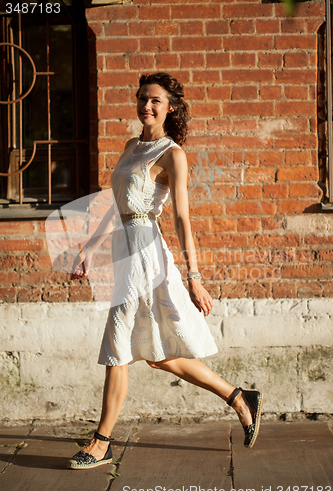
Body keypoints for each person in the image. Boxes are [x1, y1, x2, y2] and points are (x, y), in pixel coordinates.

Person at [67, 72, 263, 469]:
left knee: (119, 345)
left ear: (170, 106)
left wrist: (195, 278)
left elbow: (181, 220)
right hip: (124, 251)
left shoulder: (172, 154)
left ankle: (101, 441)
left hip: (146, 256)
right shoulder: (129, 146)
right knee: (155, 355)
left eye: (155, 100)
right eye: (142, 98)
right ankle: (240, 397)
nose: (146, 106)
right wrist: (88, 247)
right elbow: (115, 204)